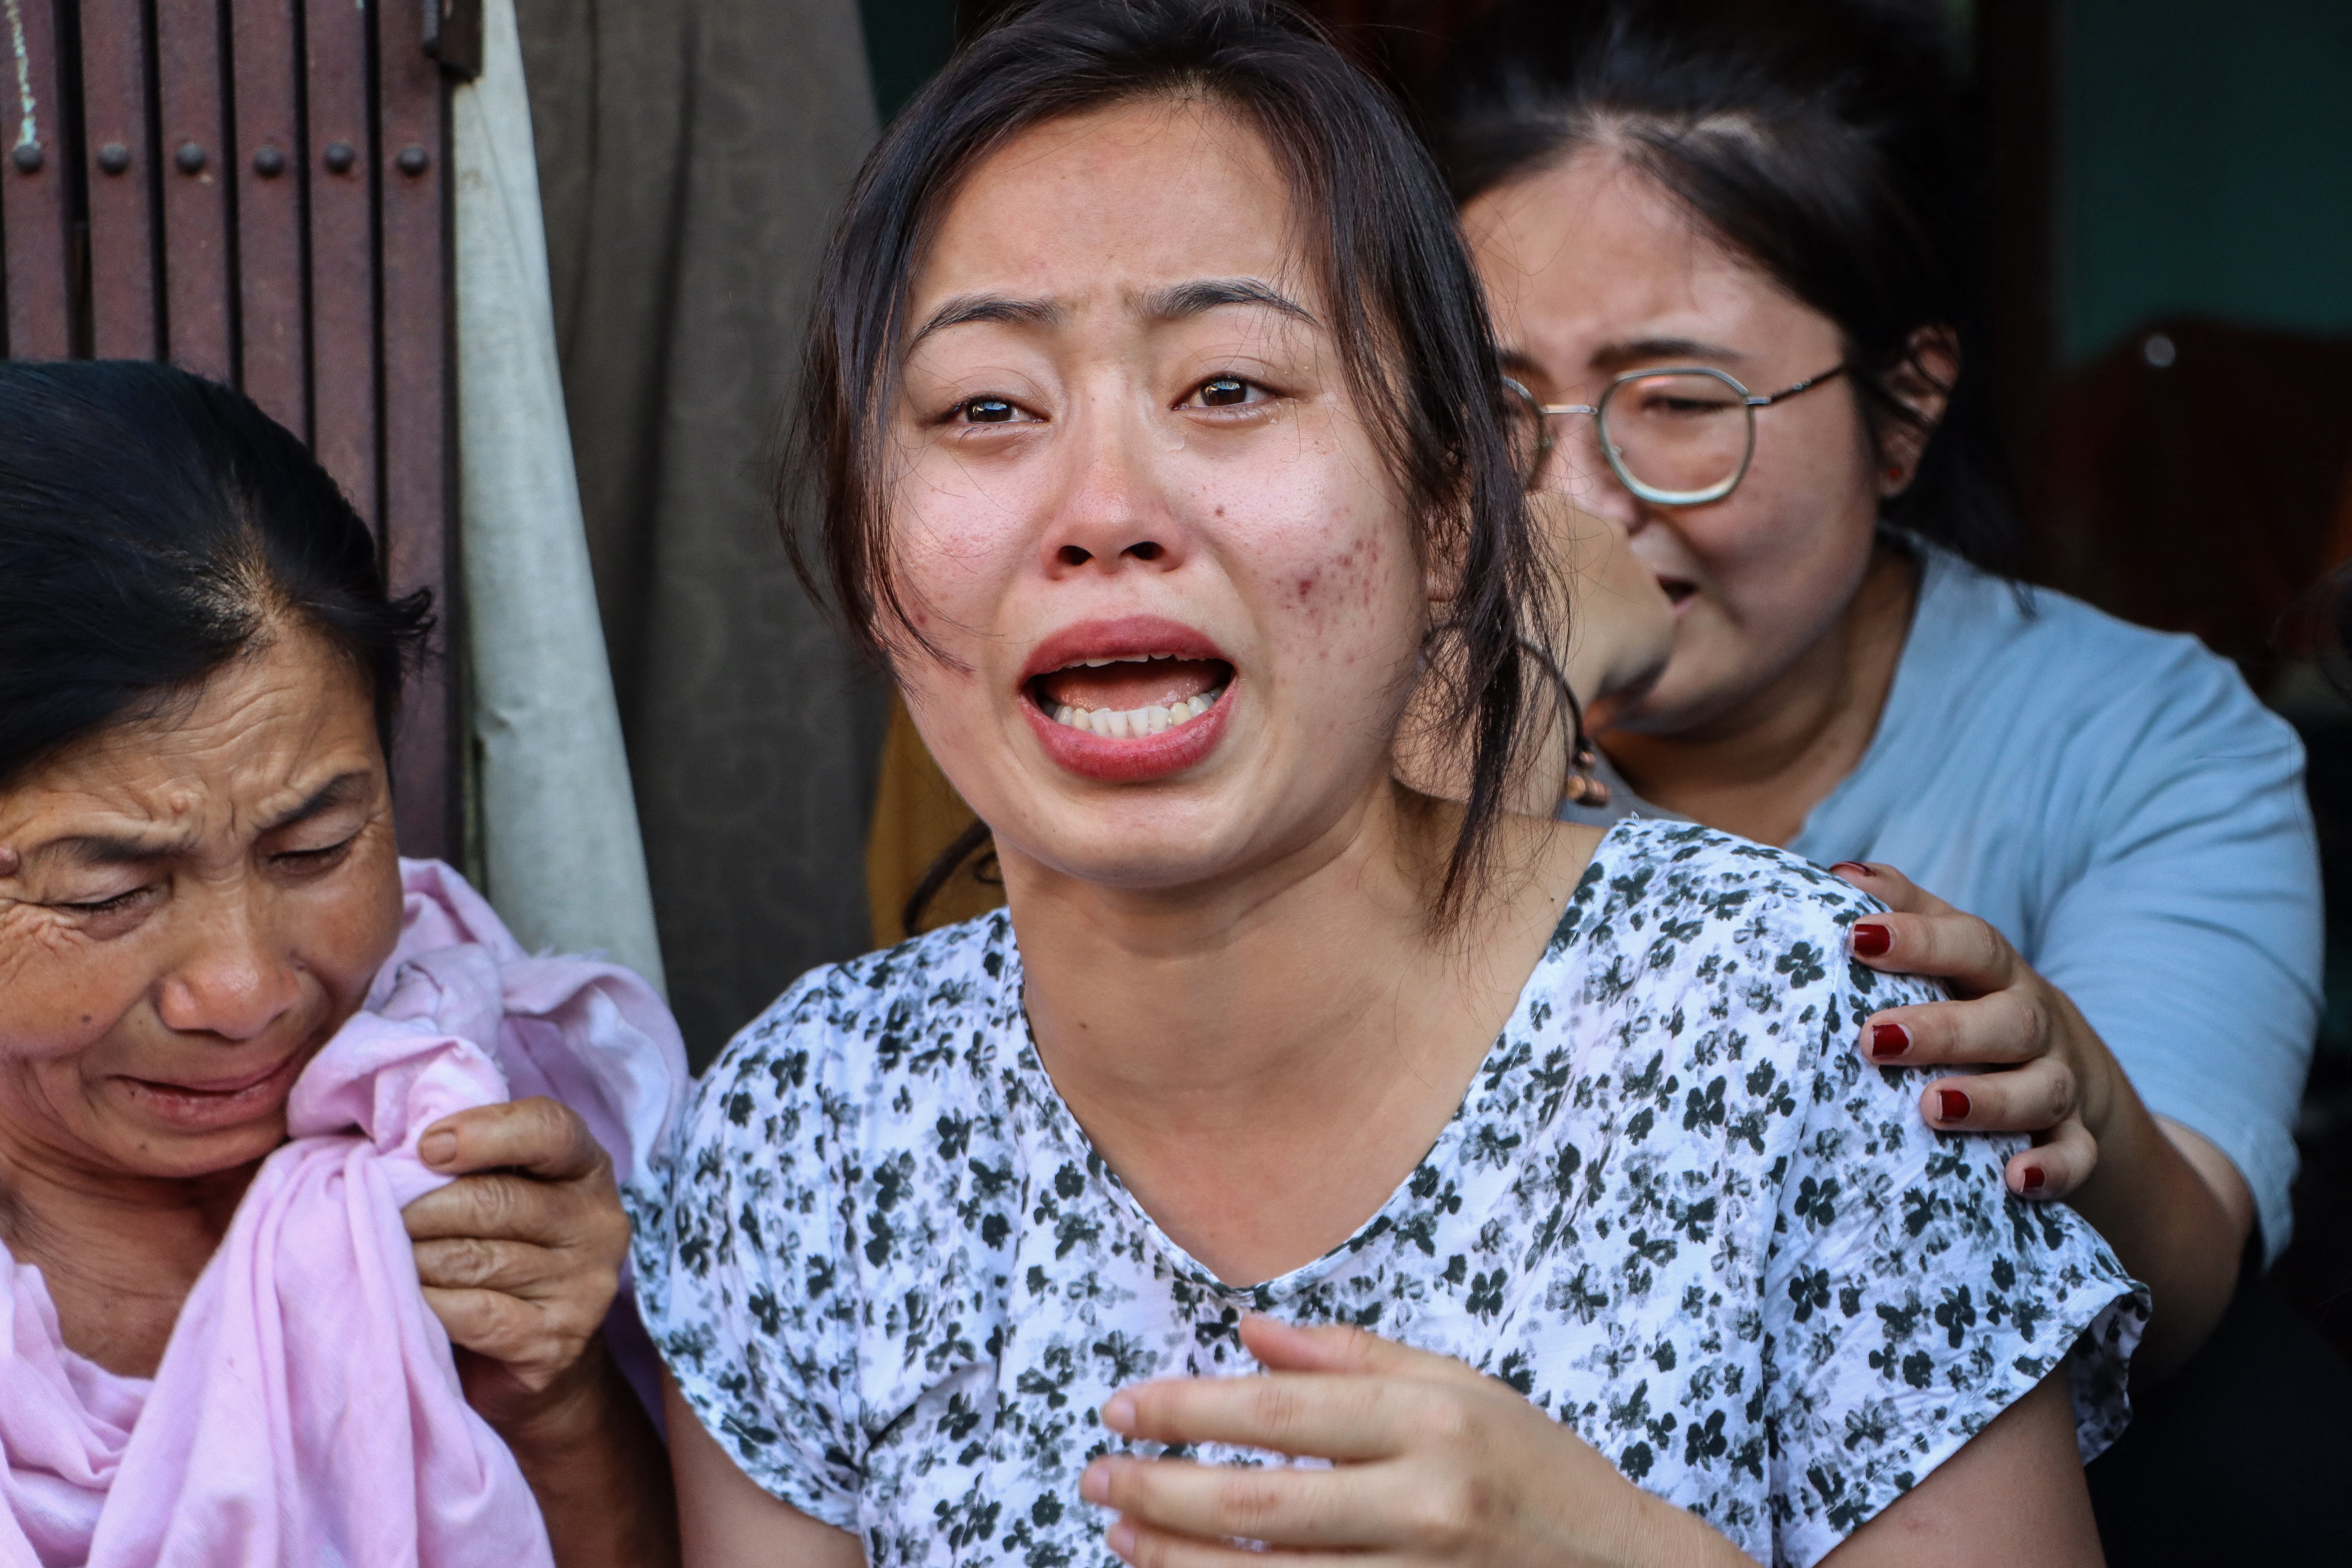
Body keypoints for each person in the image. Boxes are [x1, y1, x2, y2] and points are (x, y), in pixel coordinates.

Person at [632, 4, 2143, 1565]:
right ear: (873, 555)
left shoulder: (1788, 1030)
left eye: (1227, 386)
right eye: (987, 409)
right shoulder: (802, 1137)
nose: (1103, 509)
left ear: (1447, 519)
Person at [1429, 0, 2347, 1554]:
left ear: (1904, 404)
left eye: (1676, 402)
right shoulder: (1355, 726)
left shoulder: (2141, 736)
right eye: (1494, 406)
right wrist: (1522, 691)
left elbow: (2184, 1293)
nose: (1568, 498)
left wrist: (2079, 1095)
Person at [0, 360, 681, 1565]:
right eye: (106, 892)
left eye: (313, 848)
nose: (245, 989)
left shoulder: (499, 1102)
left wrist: (555, 1392)